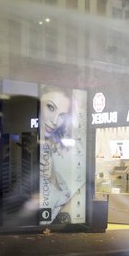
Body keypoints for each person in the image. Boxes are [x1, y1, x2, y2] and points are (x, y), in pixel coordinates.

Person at [38, 85, 86, 225]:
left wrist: (52, 177)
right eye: (51, 108)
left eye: (62, 116)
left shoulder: (59, 149)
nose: (54, 121)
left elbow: (64, 197)